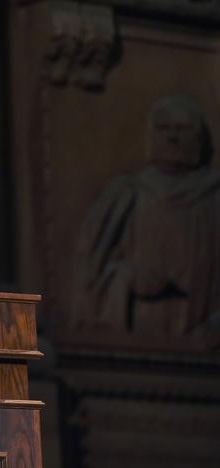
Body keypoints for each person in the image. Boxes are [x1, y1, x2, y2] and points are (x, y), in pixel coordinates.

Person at [72, 95, 220, 343]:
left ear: (200, 139)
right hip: (141, 335)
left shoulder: (215, 196)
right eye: (165, 129)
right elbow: (90, 269)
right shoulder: (129, 192)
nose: (173, 137)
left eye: (184, 129)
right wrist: (128, 277)